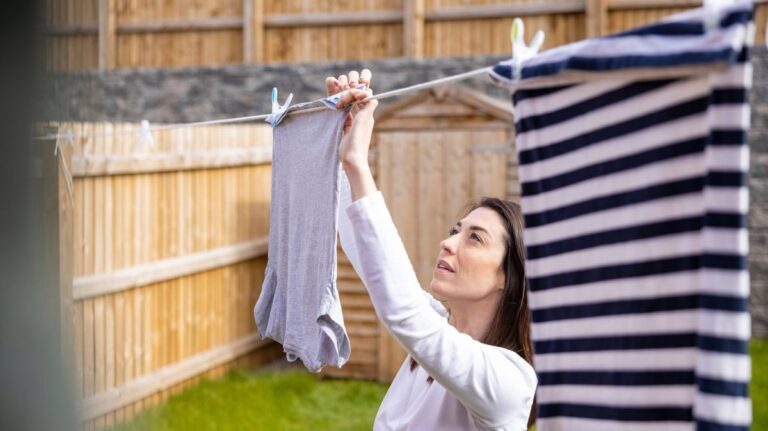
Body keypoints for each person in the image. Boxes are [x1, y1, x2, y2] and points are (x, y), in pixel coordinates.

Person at [328, 69, 537, 431]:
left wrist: (358, 163)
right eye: (456, 231)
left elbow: (403, 310)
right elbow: (368, 256)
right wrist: (340, 144)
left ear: (509, 275)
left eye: (475, 238)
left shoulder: (509, 382)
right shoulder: (435, 336)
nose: (448, 243)